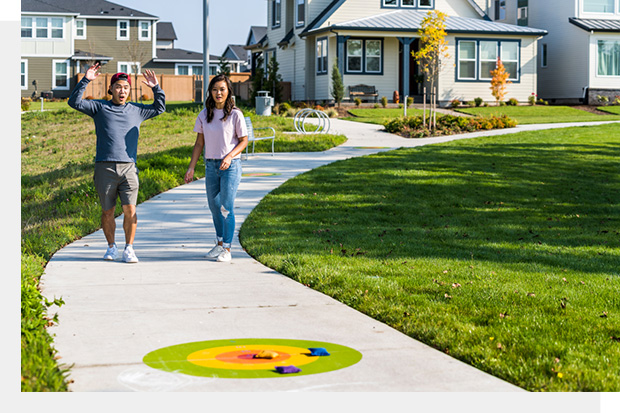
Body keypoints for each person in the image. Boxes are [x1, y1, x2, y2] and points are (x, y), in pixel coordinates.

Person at [68, 63, 166, 263]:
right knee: (108, 211)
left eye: (126, 87)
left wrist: (156, 88)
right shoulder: (99, 107)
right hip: (105, 166)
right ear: (111, 89)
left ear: (130, 91)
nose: (122, 91)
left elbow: (160, 108)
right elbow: (74, 102)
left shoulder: (137, 110)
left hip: (129, 167)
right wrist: (86, 79)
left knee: (130, 210)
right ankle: (111, 247)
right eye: (119, 87)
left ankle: (129, 248)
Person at [184, 74, 248, 262]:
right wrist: (191, 168)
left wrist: (229, 156)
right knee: (214, 207)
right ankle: (219, 243)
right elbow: (198, 144)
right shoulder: (204, 114)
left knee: (226, 207)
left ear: (228, 92)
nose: (218, 93)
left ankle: (227, 249)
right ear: (210, 92)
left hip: (230, 166)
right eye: (214, 89)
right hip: (211, 165)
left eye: (222, 89)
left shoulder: (236, 114)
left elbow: (244, 141)